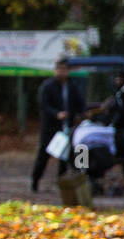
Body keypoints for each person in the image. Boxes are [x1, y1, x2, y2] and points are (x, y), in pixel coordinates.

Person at [31, 57, 86, 192]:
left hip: (69, 126)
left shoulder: (72, 86)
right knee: (44, 155)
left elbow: (80, 104)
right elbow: (44, 105)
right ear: (55, 70)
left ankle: (65, 182)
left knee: (67, 155)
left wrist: (83, 114)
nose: (62, 72)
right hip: (50, 127)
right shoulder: (47, 86)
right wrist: (56, 114)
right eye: (59, 69)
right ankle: (35, 180)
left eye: (65, 69)